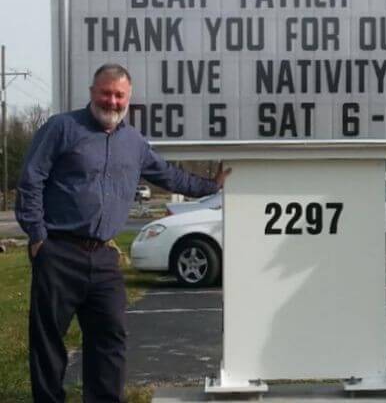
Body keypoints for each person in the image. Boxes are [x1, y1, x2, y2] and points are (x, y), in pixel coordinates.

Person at [15, 63, 231, 403]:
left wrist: (210, 185)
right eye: (106, 93)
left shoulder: (135, 143)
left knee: (110, 339)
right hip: (59, 251)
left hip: (103, 257)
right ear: (92, 93)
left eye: (119, 95)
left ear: (128, 99)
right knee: (49, 341)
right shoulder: (62, 128)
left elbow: (169, 177)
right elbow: (31, 180)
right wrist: (38, 236)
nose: (112, 101)